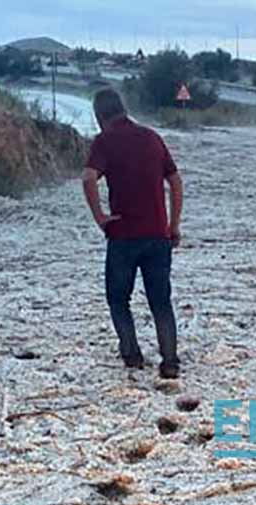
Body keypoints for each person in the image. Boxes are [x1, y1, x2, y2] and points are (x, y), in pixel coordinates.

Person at [81, 89, 185, 379]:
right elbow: (176, 182)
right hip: (157, 234)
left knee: (118, 299)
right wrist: (173, 225)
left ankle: (132, 356)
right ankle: (170, 362)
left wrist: (100, 217)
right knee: (161, 301)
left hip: (123, 235)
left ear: (100, 116)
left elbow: (88, 178)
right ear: (123, 108)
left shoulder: (104, 141)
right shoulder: (152, 137)